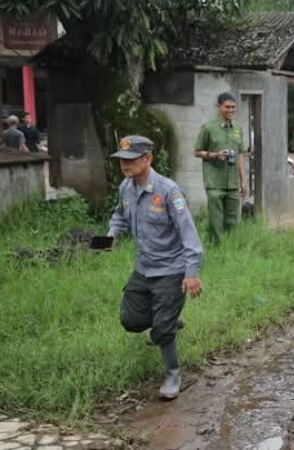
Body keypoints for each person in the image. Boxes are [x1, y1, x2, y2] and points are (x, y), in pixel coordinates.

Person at [107, 136, 203, 400]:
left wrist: (192, 273)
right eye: (121, 161)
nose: (124, 166)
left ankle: (173, 373)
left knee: (161, 330)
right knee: (130, 319)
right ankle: (169, 318)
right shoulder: (125, 188)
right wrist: (112, 234)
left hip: (171, 270)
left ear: (147, 158)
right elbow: (119, 215)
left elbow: (190, 237)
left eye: (130, 160)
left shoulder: (169, 192)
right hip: (144, 268)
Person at [193, 92, 248, 244]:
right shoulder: (208, 128)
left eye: (233, 107)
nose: (231, 110)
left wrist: (243, 181)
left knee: (232, 221)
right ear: (219, 107)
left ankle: (229, 249)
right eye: (227, 107)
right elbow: (197, 152)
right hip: (214, 183)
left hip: (233, 183)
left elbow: (240, 155)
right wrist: (214, 155)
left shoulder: (238, 128)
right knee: (215, 222)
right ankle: (215, 248)